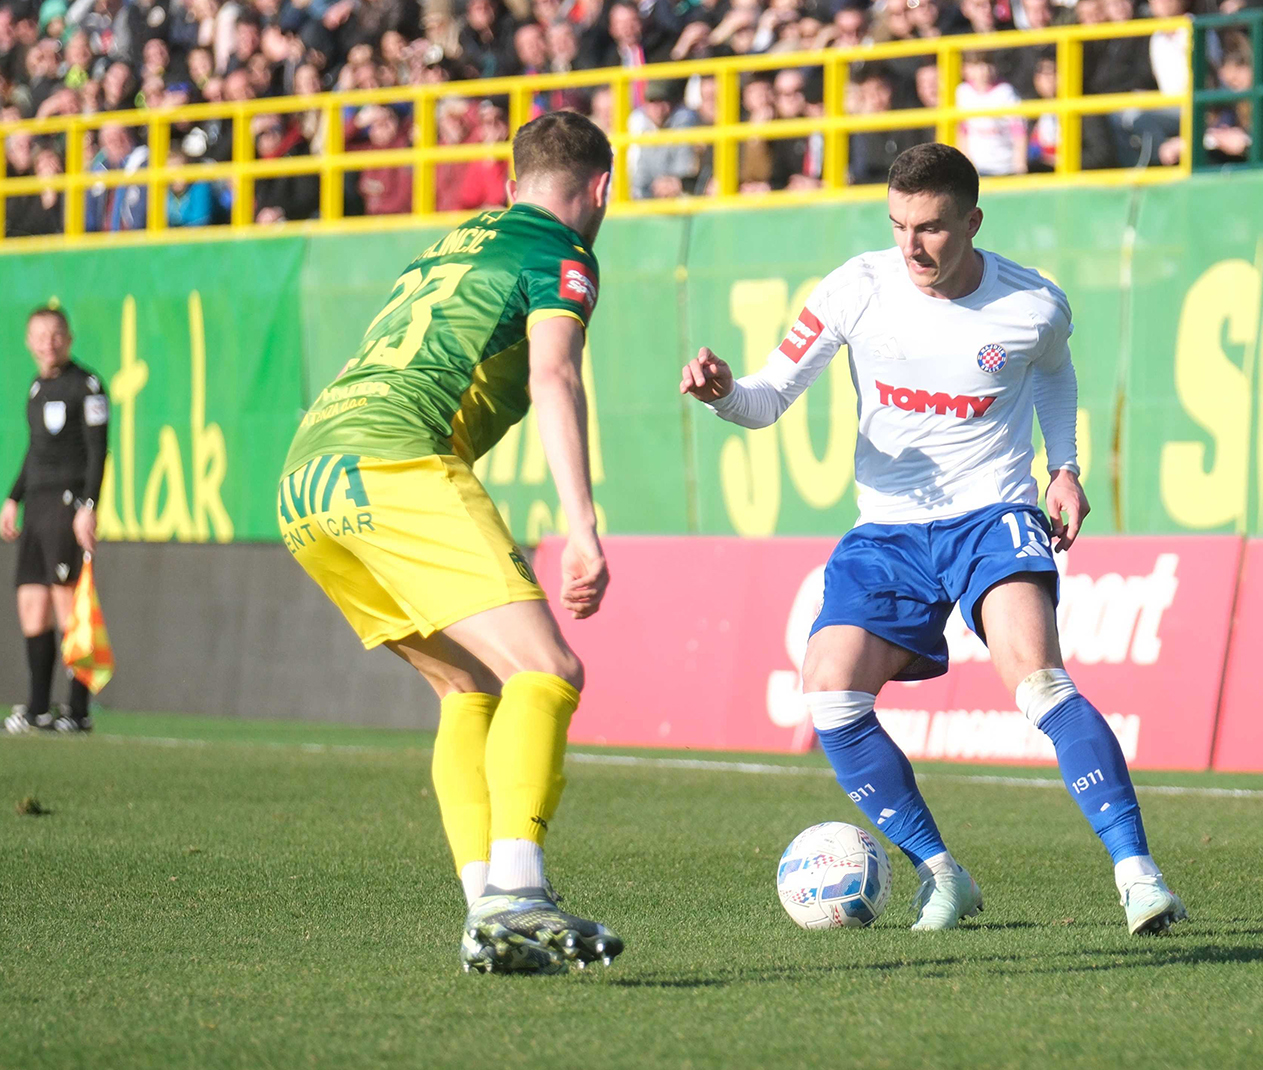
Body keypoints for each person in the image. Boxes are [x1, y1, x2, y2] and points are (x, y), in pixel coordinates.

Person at [679, 144, 1186, 936]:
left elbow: (1053, 370)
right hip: (887, 528)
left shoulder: (1033, 304)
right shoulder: (858, 286)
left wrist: (1066, 467)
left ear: (972, 221)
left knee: (1038, 680)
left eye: (932, 228)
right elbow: (767, 398)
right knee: (830, 691)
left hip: (992, 514)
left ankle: (1137, 874)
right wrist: (721, 394)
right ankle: (942, 873)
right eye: (899, 225)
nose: (912, 246)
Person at [277, 111, 623, 976]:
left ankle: (487, 918)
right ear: (602, 190)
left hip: (305, 480)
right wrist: (583, 526)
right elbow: (553, 373)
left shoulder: (454, 243)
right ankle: (519, 890)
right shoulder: (561, 251)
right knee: (550, 669)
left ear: (510, 185)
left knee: (465, 684)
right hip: (394, 460)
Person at [2, 306, 107, 736]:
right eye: (40, 336)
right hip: (37, 508)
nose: (48, 343)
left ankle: (78, 708)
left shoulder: (87, 386)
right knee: (31, 603)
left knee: (68, 604)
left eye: (56, 335)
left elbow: (99, 451)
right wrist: (13, 498)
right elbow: (35, 450)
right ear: (28, 342)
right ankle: (39, 707)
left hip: (67, 504)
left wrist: (88, 505)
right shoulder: (35, 388)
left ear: (70, 337)